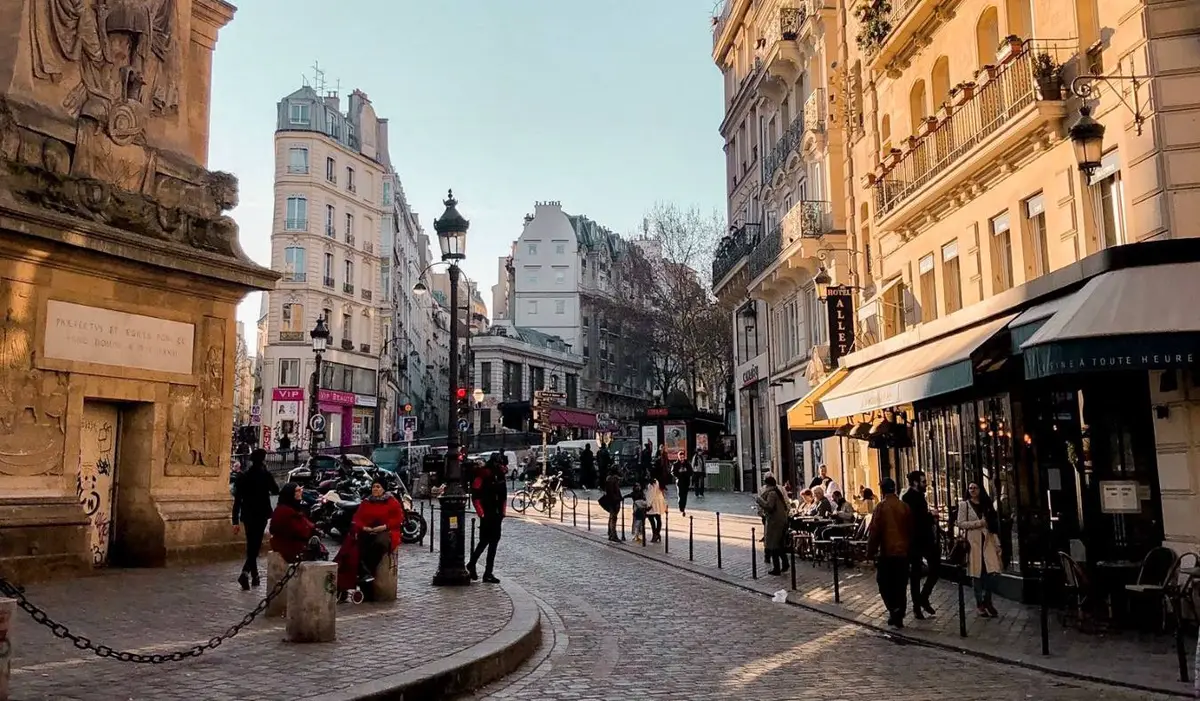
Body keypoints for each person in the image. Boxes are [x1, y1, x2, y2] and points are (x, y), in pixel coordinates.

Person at [336, 479, 405, 594]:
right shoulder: (366, 502)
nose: (375, 489)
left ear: (383, 489)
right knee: (357, 546)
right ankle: (363, 573)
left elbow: (398, 518)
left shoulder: (391, 501)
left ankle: (366, 573)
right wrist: (364, 528)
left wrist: (384, 526)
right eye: (374, 487)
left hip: (386, 531)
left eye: (378, 487)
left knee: (378, 543)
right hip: (368, 531)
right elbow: (357, 518)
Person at [867, 477, 912, 629]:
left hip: (888, 552)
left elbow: (875, 531)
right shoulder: (904, 506)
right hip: (903, 552)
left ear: (882, 490)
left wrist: (870, 551)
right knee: (900, 584)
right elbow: (911, 530)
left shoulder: (881, 507)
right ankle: (899, 612)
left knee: (884, 583)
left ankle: (894, 609)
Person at [231, 448, 279, 590]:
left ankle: (255, 575)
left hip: (247, 514)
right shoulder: (266, 475)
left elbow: (237, 500)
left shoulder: (243, 476)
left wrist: (235, 520)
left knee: (251, 544)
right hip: (261, 514)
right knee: (255, 546)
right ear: (263, 460)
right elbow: (276, 490)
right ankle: (245, 573)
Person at [958, 482, 1003, 618]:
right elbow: (960, 523)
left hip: (988, 542)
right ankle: (980, 605)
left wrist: (997, 543)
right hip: (974, 543)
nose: (972, 490)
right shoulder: (964, 505)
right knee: (977, 575)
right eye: (970, 488)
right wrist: (979, 523)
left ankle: (987, 600)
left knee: (992, 573)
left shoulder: (986, 505)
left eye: (975, 488)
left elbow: (993, 526)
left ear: (980, 490)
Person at [902, 471, 939, 619]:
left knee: (935, 568)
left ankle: (923, 598)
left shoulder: (918, 496)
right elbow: (917, 520)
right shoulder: (908, 498)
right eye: (923, 482)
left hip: (925, 540)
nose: (926, 484)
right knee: (916, 574)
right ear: (916, 482)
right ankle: (917, 606)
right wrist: (931, 516)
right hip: (916, 541)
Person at [468, 454, 508, 583]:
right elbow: (475, 495)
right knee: (486, 542)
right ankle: (481, 569)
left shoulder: (500, 476)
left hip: (495, 513)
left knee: (491, 543)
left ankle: (486, 571)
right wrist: (482, 513)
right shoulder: (484, 475)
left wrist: (502, 512)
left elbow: (503, 496)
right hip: (489, 512)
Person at [269, 483, 317, 563]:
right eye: (297, 491)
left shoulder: (291, 508)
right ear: (290, 493)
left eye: (300, 489)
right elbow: (300, 530)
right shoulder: (286, 511)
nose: (301, 492)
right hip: (288, 545)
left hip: (289, 543)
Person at [757, 475, 791, 575]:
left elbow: (769, 506)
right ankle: (785, 564)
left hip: (775, 523)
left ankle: (777, 568)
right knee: (779, 545)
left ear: (768, 484)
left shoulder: (772, 493)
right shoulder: (776, 491)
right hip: (780, 521)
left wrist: (760, 501)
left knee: (773, 545)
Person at [602, 469, 623, 542]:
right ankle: (613, 535)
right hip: (614, 502)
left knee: (612, 517)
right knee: (613, 518)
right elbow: (613, 492)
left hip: (611, 501)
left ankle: (611, 533)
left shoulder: (609, 480)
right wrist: (618, 499)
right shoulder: (613, 481)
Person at [671, 451, 694, 516]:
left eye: (683, 457)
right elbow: (673, 472)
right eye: (680, 457)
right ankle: (681, 507)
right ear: (678, 457)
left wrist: (686, 473)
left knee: (685, 495)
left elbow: (691, 472)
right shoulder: (675, 464)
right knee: (680, 495)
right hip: (679, 481)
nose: (682, 459)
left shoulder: (687, 464)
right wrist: (678, 474)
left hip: (686, 481)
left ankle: (683, 507)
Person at [646, 478, 666, 543]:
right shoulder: (658, 480)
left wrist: (648, 504)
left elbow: (651, 494)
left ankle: (655, 534)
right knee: (658, 518)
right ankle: (657, 534)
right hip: (659, 500)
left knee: (651, 519)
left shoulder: (652, 483)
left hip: (653, 502)